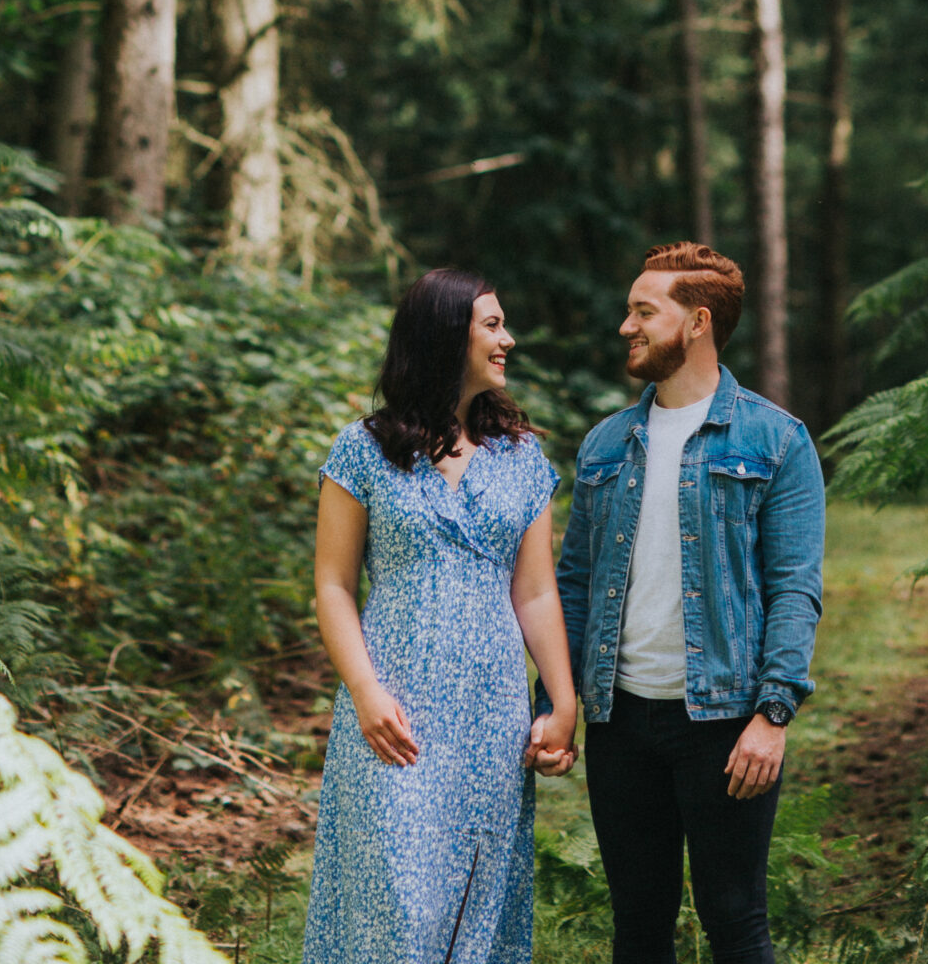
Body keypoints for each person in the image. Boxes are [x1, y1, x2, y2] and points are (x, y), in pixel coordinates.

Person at [551, 242, 825, 964]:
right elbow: (573, 581)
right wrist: (564, 699)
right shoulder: (606, 444)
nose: (625, 326)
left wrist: (773, 714)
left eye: (644, 311)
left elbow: (793, 586)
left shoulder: (776, 440)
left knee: (734, 920)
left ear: (697, 322)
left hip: (725, 722)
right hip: (621, 722)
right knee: (638, 926)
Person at [305, 270, 577, 964]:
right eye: (491, 324)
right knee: (392, 903)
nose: (507, 339)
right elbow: (333, 586)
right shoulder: (362, 450)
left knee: (475, 900)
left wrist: (563, 702)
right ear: (443, 334)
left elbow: (536, 593)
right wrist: (365, 692)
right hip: (394, 706)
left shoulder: (522, 458)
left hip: (490, 712)